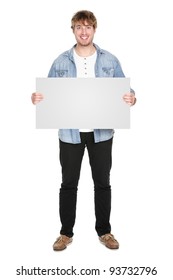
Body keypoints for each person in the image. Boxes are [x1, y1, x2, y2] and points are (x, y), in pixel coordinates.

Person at [31, 10, 136, 251]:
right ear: (73, 30)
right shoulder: (61, 61)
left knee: (102, 183)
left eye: (88, 26)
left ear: (94, 29)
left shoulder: (110, 60)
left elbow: (127, 91)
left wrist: (132, 98)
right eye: (79, 27)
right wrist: (36, 97)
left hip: (102, 133)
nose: (84, 31)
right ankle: (65, 233)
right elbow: (47, 95)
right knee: (68, 183)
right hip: (70, 133)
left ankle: (105, 231)